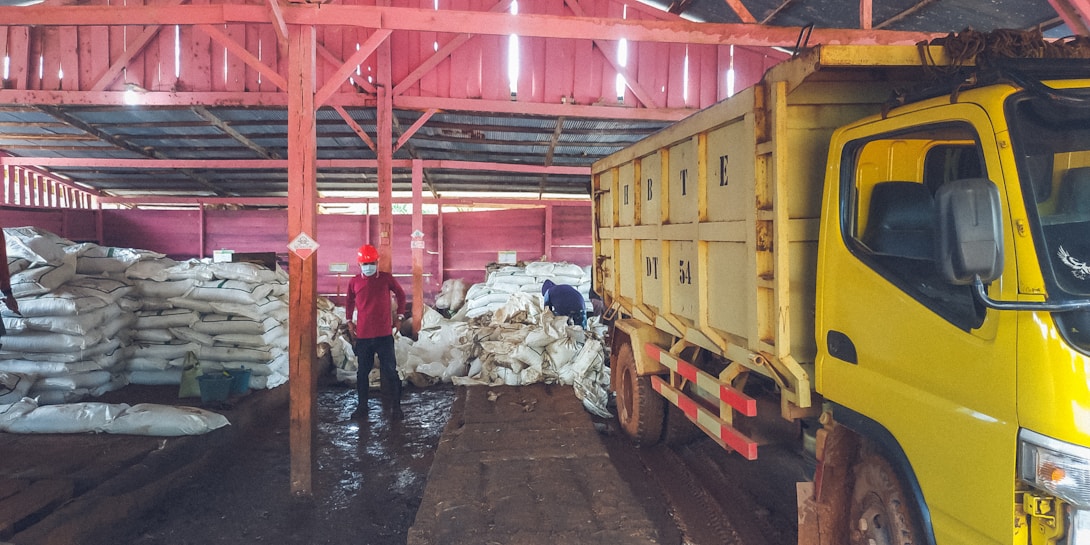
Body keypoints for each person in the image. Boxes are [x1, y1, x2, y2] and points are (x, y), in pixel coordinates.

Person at [346, 244, 406, 420]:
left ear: (377, 262)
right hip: (363, 336)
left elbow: (401, 295)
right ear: (359, 264)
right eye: (365, 263)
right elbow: (349, 301)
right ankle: (362, 407)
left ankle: (396, 408)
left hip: (384, 335)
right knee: (362, 372)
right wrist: (349, 320)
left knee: (390, 371)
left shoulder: (386, 279)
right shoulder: (354, 281)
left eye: (371, 262)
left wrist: (400, 316)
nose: (368, 266)